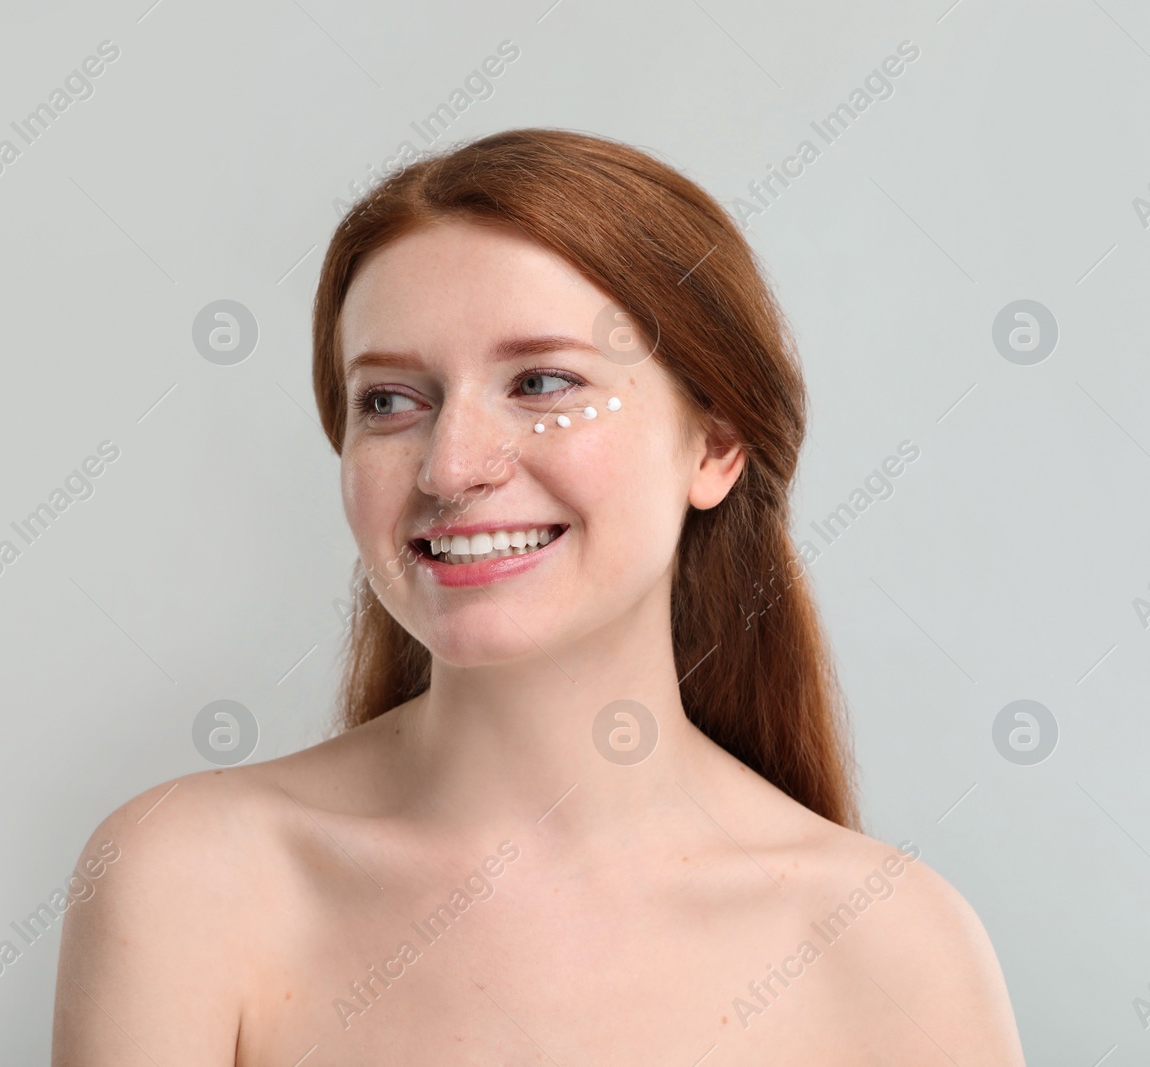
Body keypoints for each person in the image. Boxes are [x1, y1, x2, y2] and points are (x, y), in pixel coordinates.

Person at [52, 127, 1025, 1065]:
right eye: (390, 400)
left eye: (543, 382)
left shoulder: (889, 945)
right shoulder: (184, 880)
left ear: (715, 444)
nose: (450, 465)